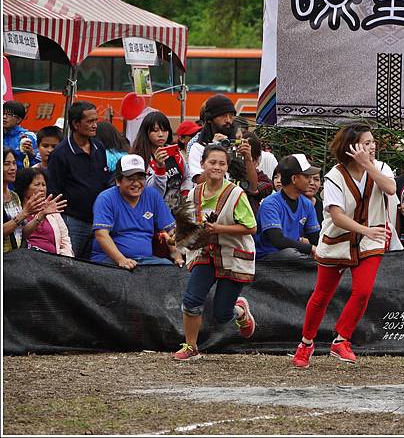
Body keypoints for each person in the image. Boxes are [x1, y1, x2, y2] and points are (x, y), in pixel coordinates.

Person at [292, 123, 396, 368]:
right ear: (352, 147)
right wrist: (365, 229)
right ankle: (306, 343)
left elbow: (390, 188)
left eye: (373, 142)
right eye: (367, 142)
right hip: (337, 241)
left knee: (363, 292)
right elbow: (337, 216)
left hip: (370, 242)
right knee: (322, 296)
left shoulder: (380, 168)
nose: (372, 146)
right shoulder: (334, 176)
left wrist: (368, 164)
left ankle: (341, 340)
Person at [173, 145, 257, 361]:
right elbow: (187, 225)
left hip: (233, 254)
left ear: (227, 167)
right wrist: (178, 237)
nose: (217, 167)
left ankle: (240, 311)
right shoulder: (193, 194)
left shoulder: (236, 194)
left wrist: (220, 229)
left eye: (222, 163)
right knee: (191, 300)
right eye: (212, 162)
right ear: (202, 164)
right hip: (205, 252)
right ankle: (191, 347)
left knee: (221, 314)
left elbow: (251, 227)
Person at [46, 101, 111, 259]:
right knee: (71, 265)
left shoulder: (98, 147)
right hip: (73, 222)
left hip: (99, 222)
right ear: (75, 124)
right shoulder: (60, 154)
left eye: (96, 120)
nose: (95, 125)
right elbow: (54, 191)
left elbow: (104, 181)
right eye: (90, 121)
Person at [91, 154, 177, 269]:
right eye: (130, 179)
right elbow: (101, 234)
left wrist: (177, 256)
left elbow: (170, 230)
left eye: (140, 178)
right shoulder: (106, 198)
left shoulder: (152, 195)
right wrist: (121, 260)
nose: (136, 183)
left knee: (169, 268)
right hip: (109, 261)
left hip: (145, 261)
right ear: (118, 181)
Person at [254, 154, 321, 261]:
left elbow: (315, 237)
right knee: (290, 254)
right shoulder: (270, 204)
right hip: (268, 257)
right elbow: (278, 240)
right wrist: (310, 248)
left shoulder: (306, 204)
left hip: (295, 253)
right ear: (294, 179)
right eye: (307, 176)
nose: (311, 181)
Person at [131, 111, 192, 211]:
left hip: (177, 212)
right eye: (155, 130)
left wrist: (185, 193)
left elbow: (187, 177)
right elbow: (153, 192)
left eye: (164, 130)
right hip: (151, 212)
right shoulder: (139, 159)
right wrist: (160, 168)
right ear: (146, 132)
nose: (161, 135)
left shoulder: (175, 153)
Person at [13, 167, 72, 256]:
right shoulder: (16, 209)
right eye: (37, 185)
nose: (42, 189)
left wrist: (64, 260)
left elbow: (65, 240)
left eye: (43, 185)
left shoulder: (51, 209)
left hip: (54, 262)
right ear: (24, 187)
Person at [187, 94, 238, 183]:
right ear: (210, 119)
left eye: (231, 116)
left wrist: (248, 158)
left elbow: (252, 186)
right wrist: (214, 148)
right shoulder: (198, 147)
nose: (228, 120)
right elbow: (199, 181)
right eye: (223, 116)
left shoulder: (236, 146)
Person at [3, 149, 43, 252]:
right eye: (7, 164)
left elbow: (22, 233)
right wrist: (24, 213)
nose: (13, 168)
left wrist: (41, 215)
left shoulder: (14, 196)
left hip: (15, 257)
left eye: (14, 163)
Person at [3, 100, 39, 169]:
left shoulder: (28, 136)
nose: (4, 117)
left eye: (9, 115)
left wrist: (31, 154)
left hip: (21, 177)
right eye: (3, 113)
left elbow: (39, 163)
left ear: (19, 120)